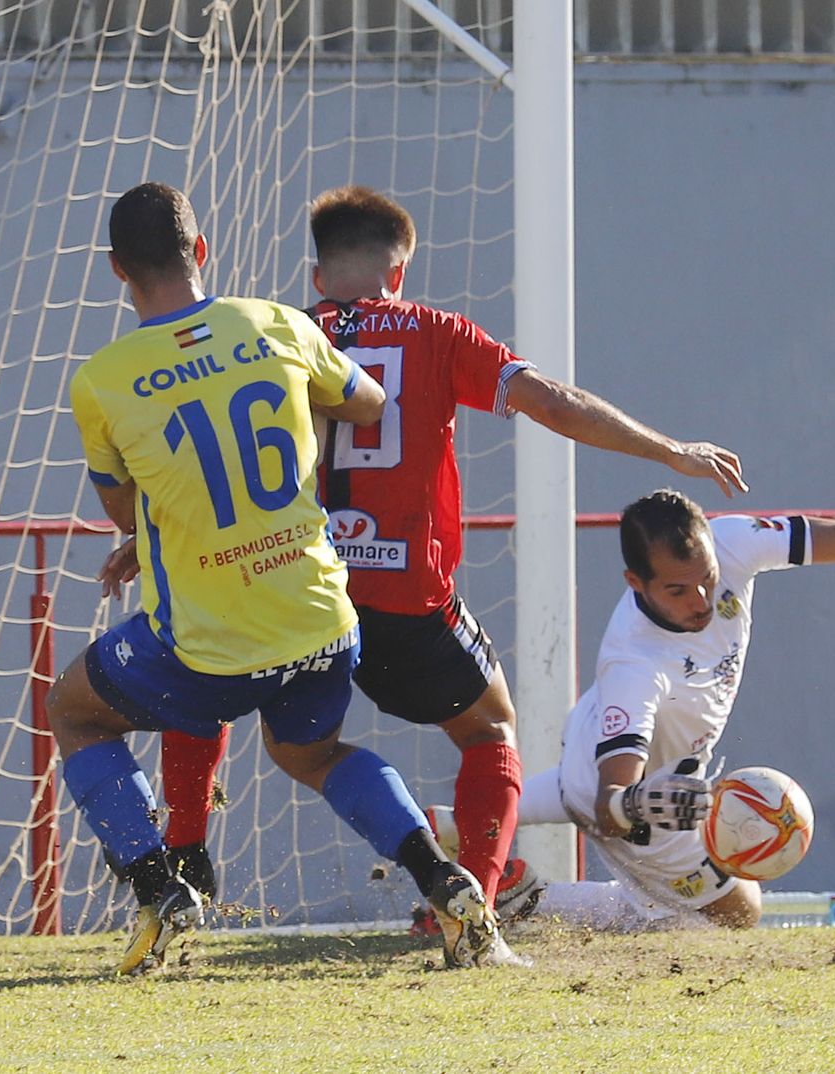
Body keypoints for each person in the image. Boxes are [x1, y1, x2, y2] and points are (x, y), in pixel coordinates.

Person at [153, 185, 749, 923]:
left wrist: (140, 538)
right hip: (406, 596)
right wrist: (670, 451)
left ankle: (178, 861)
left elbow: (215, 455)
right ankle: (466, 905)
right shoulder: (436, 332)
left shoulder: (274, 334)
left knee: (203, 682)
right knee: (489, 732)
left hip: (297, 586)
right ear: (398, 272)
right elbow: (554, 402)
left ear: (316, 278)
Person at [57, 181, 517, 974]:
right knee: (313, 755)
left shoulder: (102, 380)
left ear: (115, 270)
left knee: (74, 712)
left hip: (212, 642)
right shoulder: (274, 322)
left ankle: (157, 880)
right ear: (202, 252)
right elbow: (369, 404)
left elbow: (125, 514)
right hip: (322, 620)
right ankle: (443, 880)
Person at [514, 489, 835, 930]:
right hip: (637, 797)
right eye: (676, 590)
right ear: (635, 582)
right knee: (737, 914)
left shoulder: (735, 540)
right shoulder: (634, 664)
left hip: (598, 744)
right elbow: (609, 804)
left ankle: (463, 852)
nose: (701, 601)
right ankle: (531, 902)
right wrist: (636, 804)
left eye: (707, 579)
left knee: (494, 819)